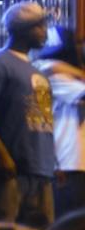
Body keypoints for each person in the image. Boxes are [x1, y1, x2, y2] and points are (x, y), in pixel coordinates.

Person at [0, 1, 56, 229]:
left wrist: (52, 161)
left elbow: (44, 119)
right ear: (22, 29)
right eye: (39, 26)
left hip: (41, 168)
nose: (45, 32)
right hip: (11, 170)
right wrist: (1, 155)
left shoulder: (37, 72)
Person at [39, 24, 85, 217]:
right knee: (69, 228)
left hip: (73, 164)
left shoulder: (61, 71)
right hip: (68, 164)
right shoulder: (53, 73)